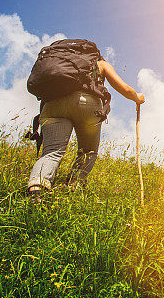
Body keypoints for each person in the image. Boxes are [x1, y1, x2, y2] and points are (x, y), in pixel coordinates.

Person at [27, 59, 145, 200]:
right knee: (88, 152)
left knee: (52, 152)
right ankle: (73, 188)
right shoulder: (100, 63)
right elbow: (125, 89)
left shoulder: (61, 62)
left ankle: (36, 190)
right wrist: (137, 98)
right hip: (87, 104)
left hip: (53, 103)